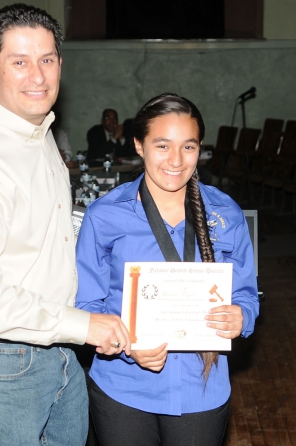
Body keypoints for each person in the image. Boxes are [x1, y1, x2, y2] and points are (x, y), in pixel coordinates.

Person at [0, 3, 130, 446]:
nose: (38, 77)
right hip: (3, 363)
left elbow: (46, 242)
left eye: (47, 60)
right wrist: (84, 326)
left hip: (56, 345)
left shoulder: (36, 134)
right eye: (19, 62)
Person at [75, 93, 259, 446]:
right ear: (139, 146)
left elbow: (247, 294)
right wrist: (127, 344)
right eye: (162, 145)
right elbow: (87, 306)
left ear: (200, 149)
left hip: (201, 391)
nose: (176, 160)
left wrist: (242, 317)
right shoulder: (105, 215)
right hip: (123, 389)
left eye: (188, 147)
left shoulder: (226, 213)